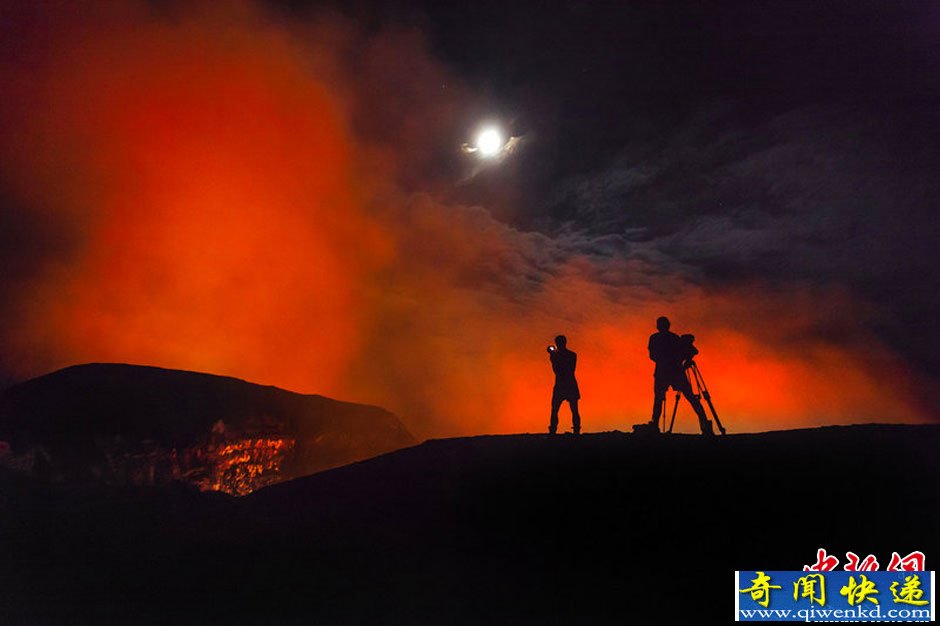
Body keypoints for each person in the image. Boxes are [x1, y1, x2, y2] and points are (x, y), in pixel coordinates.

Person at [647, 316, 713, 435]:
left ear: (658, 326)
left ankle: (654, 425)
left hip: (662, 372)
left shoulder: (654, 338)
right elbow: (689, 351)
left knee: (658, 399)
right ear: (668, 325)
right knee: (691, 397)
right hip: (676, 371)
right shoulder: (675, 338)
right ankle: (705, 424)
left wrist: (663, 360)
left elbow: (652, 356)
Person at [548, 335, 581, 435]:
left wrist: (553, 356)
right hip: (569, 383)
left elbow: (557, 370)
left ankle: (553, 430)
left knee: (556, 409)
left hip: (562, 384)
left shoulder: (559, 356)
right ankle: (576, 430)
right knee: (572, 409)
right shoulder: (572, 355)